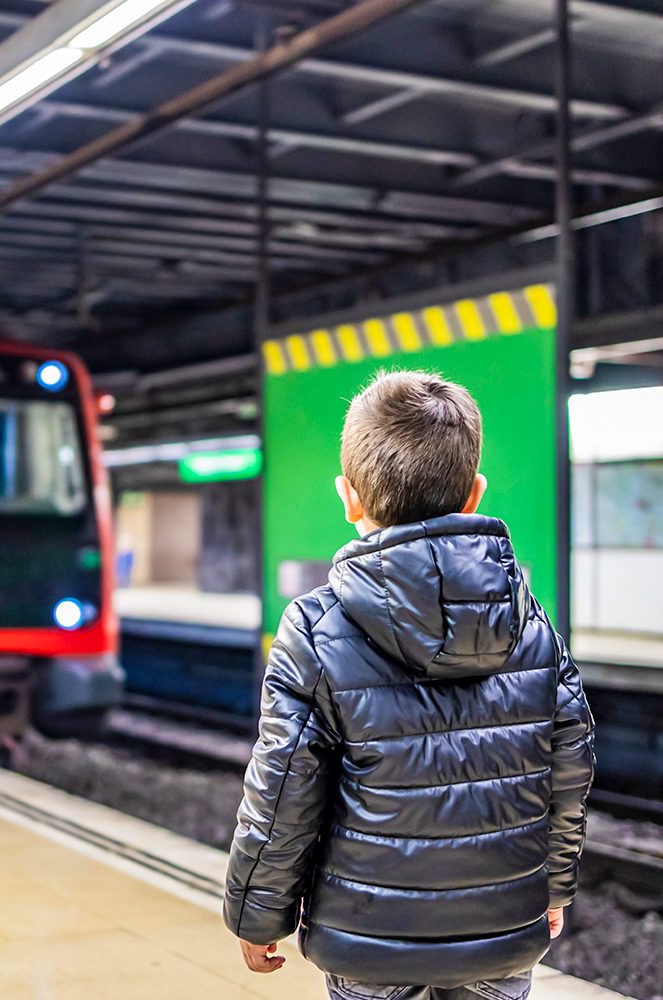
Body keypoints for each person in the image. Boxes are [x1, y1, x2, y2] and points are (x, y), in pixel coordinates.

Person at [223, 370, 595, 1000]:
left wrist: (259, 913)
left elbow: (284, 786)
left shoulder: (315, 629)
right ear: (475, 494)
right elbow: (569, 770)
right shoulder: (531, 623)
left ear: (349, 498)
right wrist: (552, 886)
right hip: (500, 928)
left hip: (367, 938)